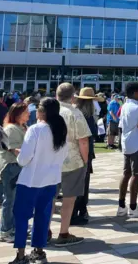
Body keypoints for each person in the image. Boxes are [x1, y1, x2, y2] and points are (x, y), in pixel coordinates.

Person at [8, 98, 69, 264]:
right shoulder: (61, 130)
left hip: (31, 180)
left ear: (42, 112)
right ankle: (39, 250)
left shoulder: (35, 129)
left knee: (21, 217)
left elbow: (24, 159)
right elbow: (63, 155)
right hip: (51, 180)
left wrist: (18, 153)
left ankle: (21, 255)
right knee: (43, 215)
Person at [54, 83, 90, 246]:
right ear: (73, 96)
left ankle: (45, 231)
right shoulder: (74, 113)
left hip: (51, 160)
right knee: (69, 199)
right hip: (72, 160)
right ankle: (63, 232)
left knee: (50, 198)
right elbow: (83, 140)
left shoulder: (50, 112)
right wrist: (85, 159)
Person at [116, 82, 138, 218]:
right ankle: (133, 207)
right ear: (135, 92)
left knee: (126, 174)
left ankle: (121, 205)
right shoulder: (137, 107)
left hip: (126, 143)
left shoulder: (124, 106)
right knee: (137, 175)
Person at [0, 103, 29, 244]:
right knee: (9, 200)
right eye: (25, 112)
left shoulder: (24, 127)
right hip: (11, 167)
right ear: (17, 114)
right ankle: (5, 231)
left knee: (18, 200)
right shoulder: (10, 129)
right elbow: (12, 148)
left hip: (20, 167)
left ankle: (14, 227)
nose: (28, 114)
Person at [71, 87, 103, 225]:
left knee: (73, 183)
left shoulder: (74, 112)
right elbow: (90, 135)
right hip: (84, 152)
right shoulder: (87, 116)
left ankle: (75, 211)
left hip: (72, 152)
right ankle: (80, 210)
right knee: (83, 183)